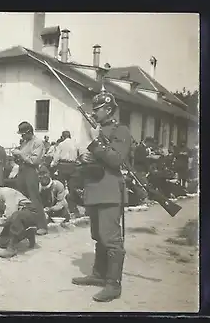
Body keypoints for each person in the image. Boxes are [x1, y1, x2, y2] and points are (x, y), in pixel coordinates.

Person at [72, 87, 131, 303]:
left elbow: (116, 160)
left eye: (97, 109)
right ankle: (99, 274)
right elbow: (97, 158)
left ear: (108, 109)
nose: (93, 113)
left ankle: (113, 284)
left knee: (111, 239)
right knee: (98, 236)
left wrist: (95, 143)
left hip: (109, 191)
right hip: (95, 189)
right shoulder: (97, 131)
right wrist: (86, 158)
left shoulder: (121, 131)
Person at [11, 121, 48, 235]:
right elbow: (21, 157)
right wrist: (16, 155)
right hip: (22, 170)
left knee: (34, 198)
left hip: (31, 171)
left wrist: (20, 153)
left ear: (29, 132)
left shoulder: (37, 143)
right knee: (22, 198)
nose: (22, 136)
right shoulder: (25, 142)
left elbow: (34, 160)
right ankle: (26, 224)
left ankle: (42, 225)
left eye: (23, 134)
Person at [0, 184, 37, 259]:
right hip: (17, 217)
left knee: (16, 216)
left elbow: (11, 213)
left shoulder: (6, 192)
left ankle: (11, 248)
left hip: (30, 212)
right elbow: (1, 213)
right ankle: (28, 233)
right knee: (2, 243)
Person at [50, 130, 80, 218]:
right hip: (73, 166)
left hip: (63, 166)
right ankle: (74, 209)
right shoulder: (75, 144)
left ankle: (61, 209)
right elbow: (78, 155)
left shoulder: (61, 145)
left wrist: (52, 165)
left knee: (61, 188)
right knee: (72, 188)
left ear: (63, 137)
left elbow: (56, 157)